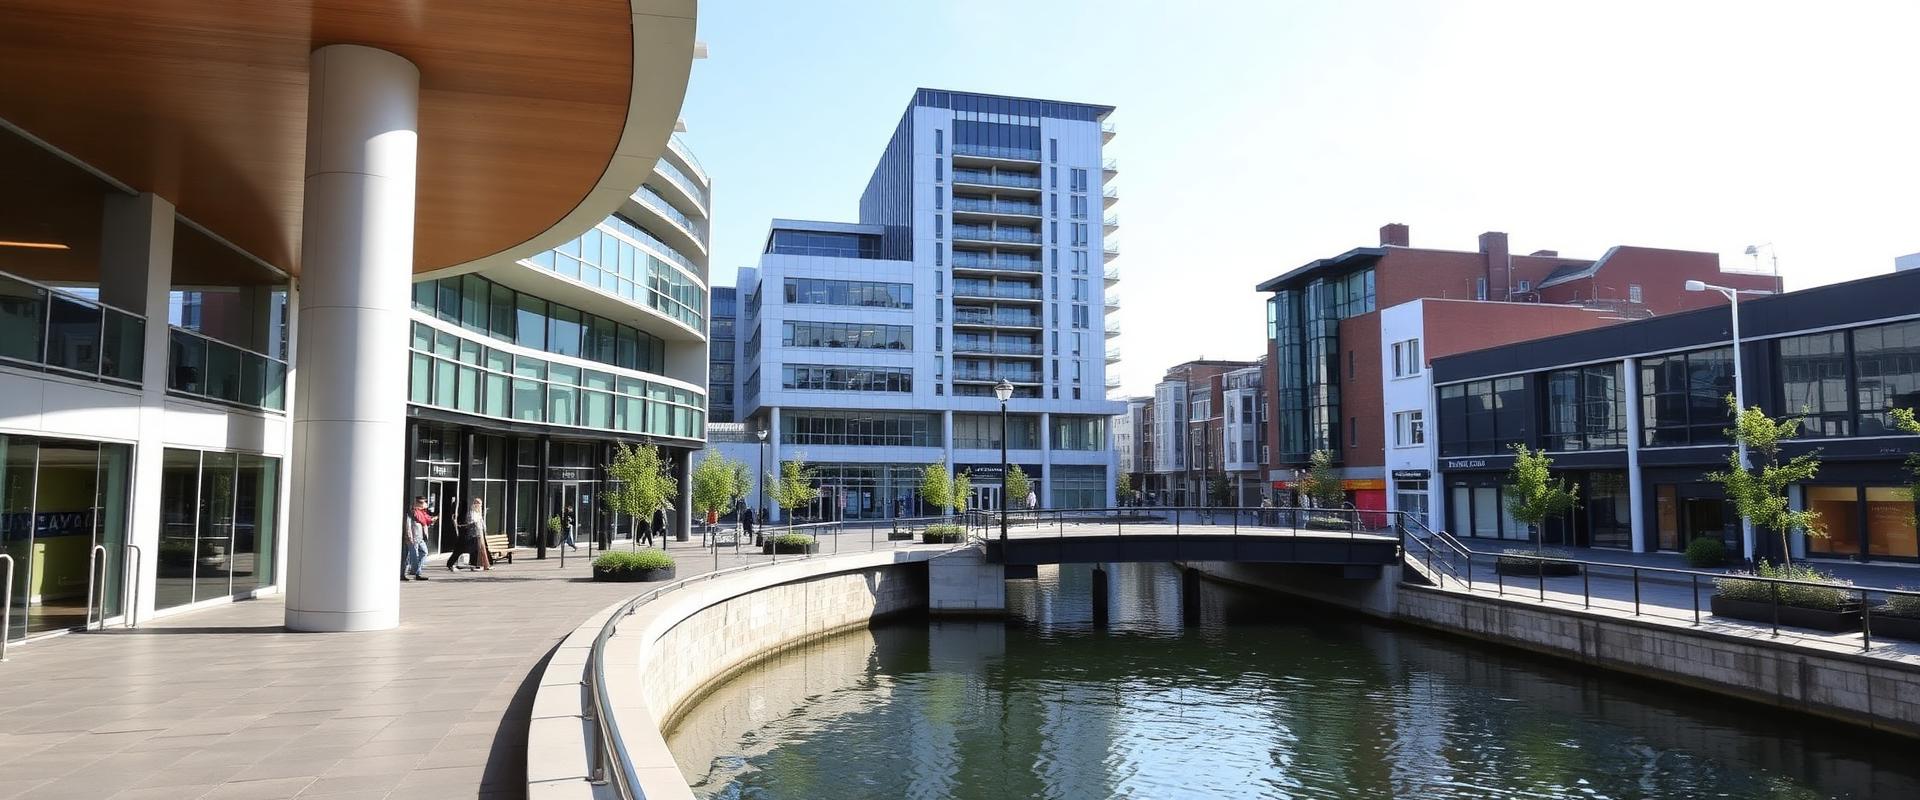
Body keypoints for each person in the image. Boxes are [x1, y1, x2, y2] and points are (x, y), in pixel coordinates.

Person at [403, 496, 433, 581]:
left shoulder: (421, 513)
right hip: (413, 537)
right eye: (421, 502)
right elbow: (408, 524)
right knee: (412, 555)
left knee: (424, 552)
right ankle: (415, 572)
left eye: (423, 502)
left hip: (420, 537)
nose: (424, 504)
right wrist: (409, 535)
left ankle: (416, 571)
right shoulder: (412, 512)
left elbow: (426, 521)